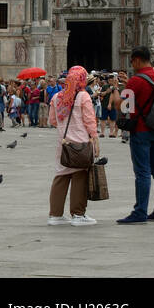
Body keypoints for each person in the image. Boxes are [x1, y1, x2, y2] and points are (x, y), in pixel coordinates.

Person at [118, 47, 154, 224]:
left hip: (141, 130)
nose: (132, 65)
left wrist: (120, 90)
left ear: (137, 60)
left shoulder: (136, 80)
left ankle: (140, 212)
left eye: (132, 61)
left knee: (143, 172)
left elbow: (124, 107)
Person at [47, 65, 99, 226]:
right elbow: (90, 120)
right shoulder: (83, 96)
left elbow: (53, 121)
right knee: (80, 176)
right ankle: (78, 215)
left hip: (63, 143)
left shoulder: (56, 97)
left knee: (61, 176)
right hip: (81, 143)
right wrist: (95, 139)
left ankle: (55, 215)